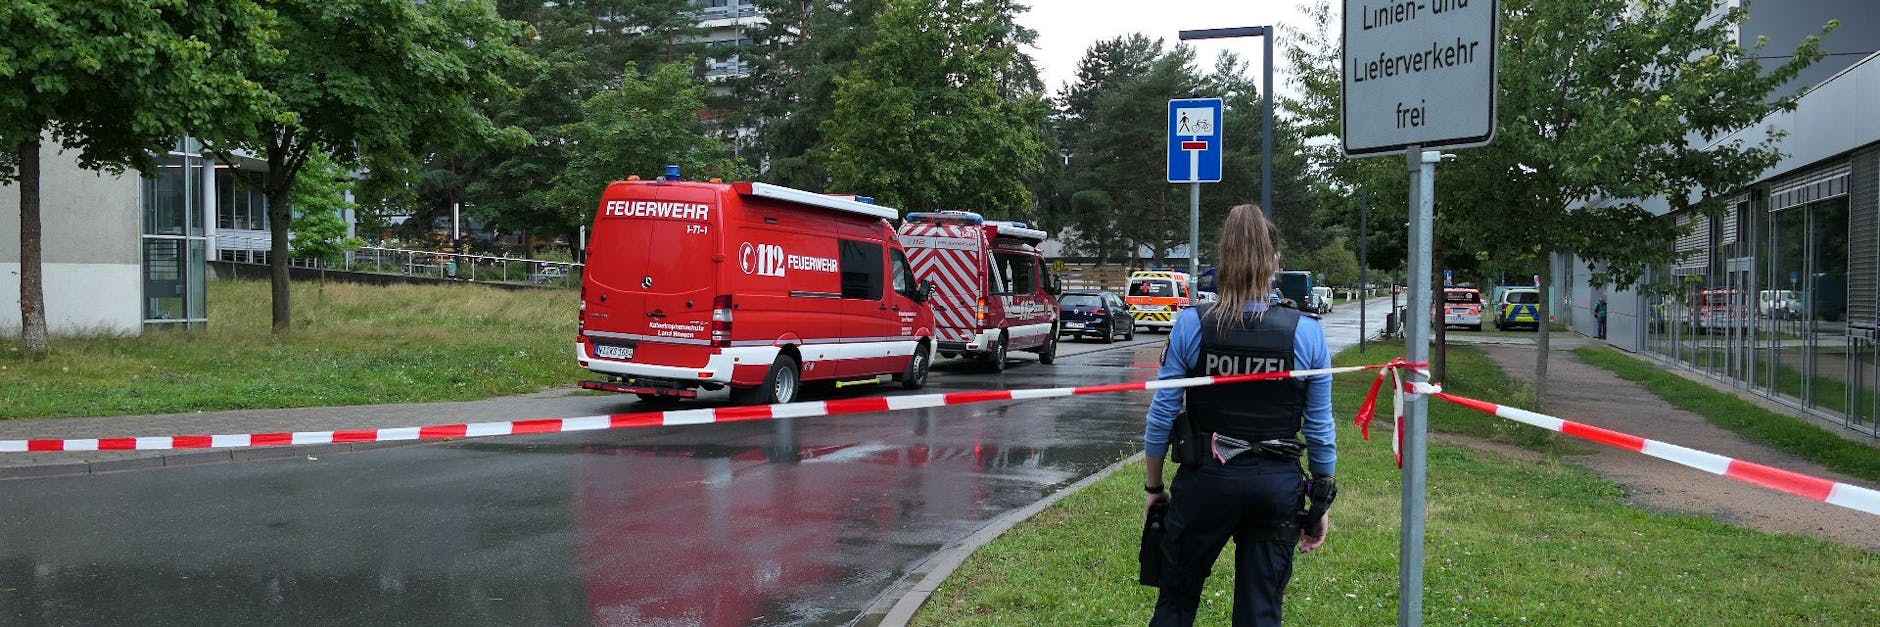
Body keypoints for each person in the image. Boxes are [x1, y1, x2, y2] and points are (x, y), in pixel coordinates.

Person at [1143, 205, 1335, 627]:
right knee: (1260, 612)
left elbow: (1162, 413)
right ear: (1276, 262)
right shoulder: (1307, 332)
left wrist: (1153, 487)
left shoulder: (1192, 325)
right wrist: (1320, 500)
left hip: (1205, 483)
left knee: (1176, 605)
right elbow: (1320, 428)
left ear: (1222, 262)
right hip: (1275, 487)